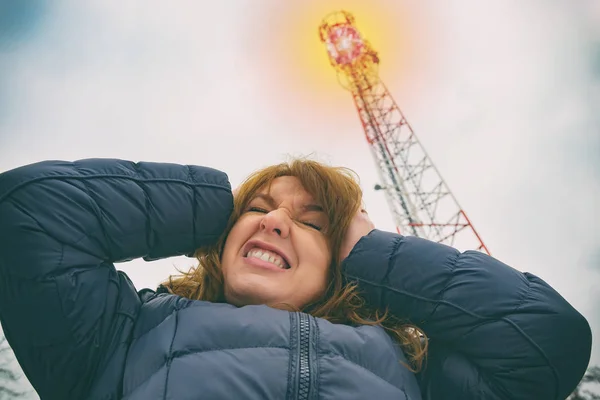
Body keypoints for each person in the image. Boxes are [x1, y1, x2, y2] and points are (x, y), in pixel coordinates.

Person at [0, 158, 592, 400]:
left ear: (343, 258)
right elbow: (31, 213)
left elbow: (544, 340)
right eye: (258, 210)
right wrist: (216, 209)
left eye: (315, 223)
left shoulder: (417, 372)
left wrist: (368, 248)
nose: (277, 221)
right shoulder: (121, 335)